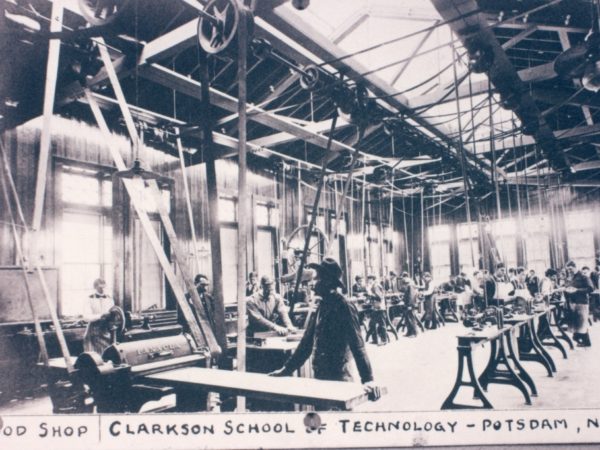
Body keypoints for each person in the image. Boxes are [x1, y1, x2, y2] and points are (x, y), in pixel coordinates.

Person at [269, 258, 381, 402]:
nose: (311, 283)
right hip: (321, 376)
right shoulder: (321, 305)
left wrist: (368, 379)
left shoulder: (344, 306)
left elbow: (357, 344)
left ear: (327, 281)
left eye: (316, 278)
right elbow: (306, 344)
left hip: (339, 377)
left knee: (338, 419)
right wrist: (287, 369)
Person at [564, 261, 594, 347]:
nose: (569, 271)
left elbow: (591, 288)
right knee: (578, 323)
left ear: (575, 267)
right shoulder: (571, 277)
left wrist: (577, 290)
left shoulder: (583, 276)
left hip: (582, 302)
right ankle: (582, 340)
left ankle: (586, 342)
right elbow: (568, 287)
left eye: (570, 269)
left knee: (582, 323)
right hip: (573, 302)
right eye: (568, 269)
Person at [83, 278, 115, 353]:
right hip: (93, 330)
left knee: (106, 352)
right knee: (93, 355)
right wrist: (100, 316)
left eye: (104, 287)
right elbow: (86, 317)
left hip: (106, 329)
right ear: (95, 287)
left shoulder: (109, 299)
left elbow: (113, 313)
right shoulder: (89, 299)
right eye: (100, 287)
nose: (102, 289)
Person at [366, 274, 387, 345]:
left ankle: (384, 340)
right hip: (376, 308)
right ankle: (375, 340)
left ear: (373, 279)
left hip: (379, 308)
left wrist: (370, 293)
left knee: (382, 324)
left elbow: (379, 297)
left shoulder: (376, 286)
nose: (368, 281)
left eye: (370, 279)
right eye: (368, 279)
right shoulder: (374, 286)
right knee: (372, 324)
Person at [399, 272, 420, 337]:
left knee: (411, 317)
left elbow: (411, 295)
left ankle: (414, 333)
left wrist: (410, 305)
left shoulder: (410, 284)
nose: (402, 279)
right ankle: (409, 332)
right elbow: (403, 291)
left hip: (410, 303)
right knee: (407, 318)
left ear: (406, 277)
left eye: (403, 278)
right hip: (407, 303)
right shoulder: (408, 284)